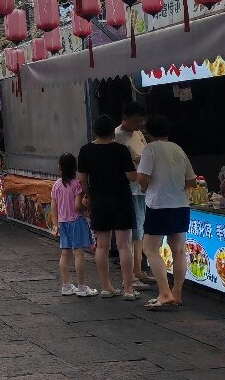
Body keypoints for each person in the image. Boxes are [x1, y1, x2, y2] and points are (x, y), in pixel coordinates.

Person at [137, 115, 197, 310]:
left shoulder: (150, 149)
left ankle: (164, 293)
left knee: (150, 248)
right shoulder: (178, 149)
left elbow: (142, 177)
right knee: (178, 250)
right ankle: (177, 292)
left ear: (148, 133)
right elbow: (192, 181)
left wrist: (146, 186)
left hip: (158, 205)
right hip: (181, 205)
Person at [77, 115, 139, 300]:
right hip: (121, 200)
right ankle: (128, 288)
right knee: (124, 246)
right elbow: (132, 177)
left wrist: (89, 194)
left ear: (95, 131)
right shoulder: (121, 150)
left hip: (99, 201)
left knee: (102, 246)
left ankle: (106, 286)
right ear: (113, 131)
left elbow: (81, 179)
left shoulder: (85, 150)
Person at [115, 101, 153, 289]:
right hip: (128, 189)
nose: (140, 125)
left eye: (142, 122)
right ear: (126, 118)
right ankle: (131, 275)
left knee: (140, 231)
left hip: (142, 188)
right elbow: (120, 163)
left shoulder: (138, 134)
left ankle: (138, 270)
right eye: (137, 121)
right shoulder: (116, 136)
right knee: (131, 233)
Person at [50, 153, 97, 297]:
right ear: (75, 167)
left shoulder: (57, 184)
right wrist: (87, 208)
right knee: (79, 254)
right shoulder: (77, 184)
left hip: (63, 223)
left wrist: (55, 224)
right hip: (76, 221)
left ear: (60, 167)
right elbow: (77, 206)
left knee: (65, 254)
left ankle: (66, 285)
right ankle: (81, 287)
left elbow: (53, 206)